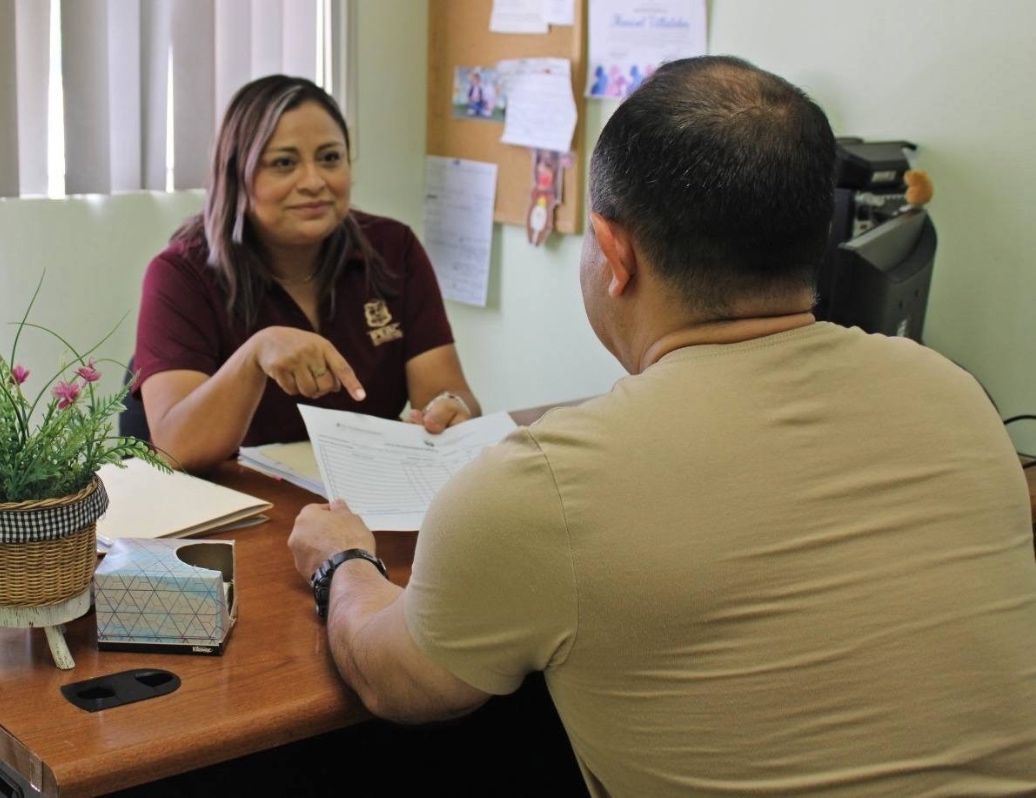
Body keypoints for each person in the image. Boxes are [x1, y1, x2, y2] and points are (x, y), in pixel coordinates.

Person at [288, 55, 1036, 796]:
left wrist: (341, 562)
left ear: (615, 255)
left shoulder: (542, 488)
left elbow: (397, 682)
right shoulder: (955, 393)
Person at [133, 75, 480, 473]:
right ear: (236, 175)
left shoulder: (392, 248)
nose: (314, 182)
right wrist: (254, 354)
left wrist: (453, 407)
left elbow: (447, 392)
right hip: (239, 510)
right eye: (284, 163)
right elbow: (177, 447)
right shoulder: (180, 274)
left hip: (367, 494)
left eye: (330, 158)